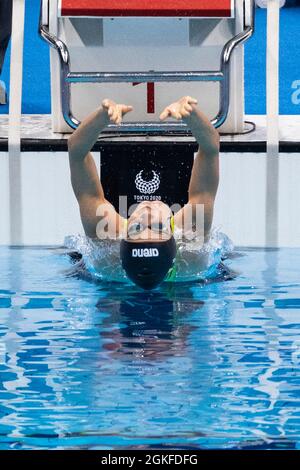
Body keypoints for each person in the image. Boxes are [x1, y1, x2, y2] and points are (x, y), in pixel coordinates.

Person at [68, 96, 220, 289]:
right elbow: (211, 148)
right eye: (157, 226)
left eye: (136, 228)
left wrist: (102, 118)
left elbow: (76, 152)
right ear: (174, 235)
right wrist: (191, 115)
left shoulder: (106, 247)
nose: (147, 214)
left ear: (122, 237)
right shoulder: (192, 247)